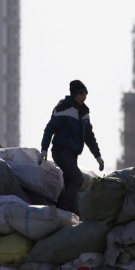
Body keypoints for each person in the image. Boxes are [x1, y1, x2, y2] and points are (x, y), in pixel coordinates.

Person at [38, 79, 104, 213]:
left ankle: (60, 208)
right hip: (61, 151)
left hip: (73, 154)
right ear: (75, 94)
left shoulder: (84, 113)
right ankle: (65, 211)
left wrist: (98, 156)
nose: (84, 97)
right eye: (81, 94)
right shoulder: (63, 108)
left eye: (85, 94)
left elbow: (89, 137)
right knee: (77, 178)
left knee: (69, 182)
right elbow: (49, 129)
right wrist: (44, 149)